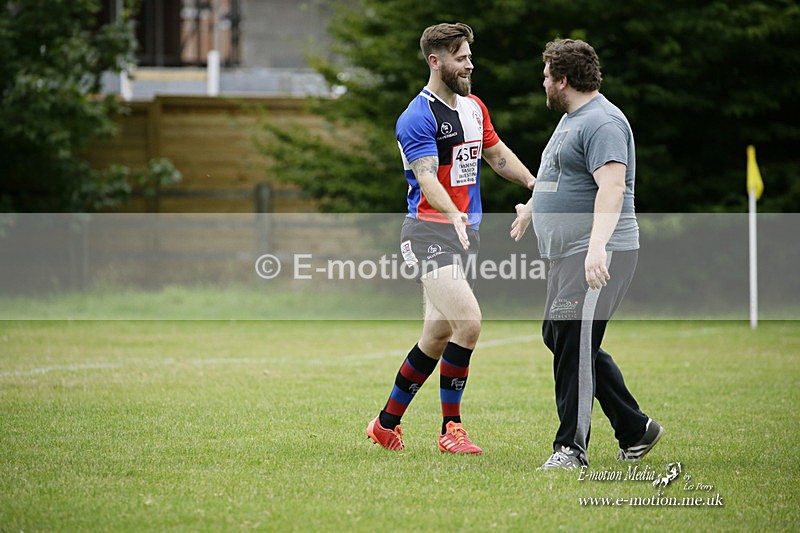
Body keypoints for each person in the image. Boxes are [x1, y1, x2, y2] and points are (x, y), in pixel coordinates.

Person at [367, 22, 536, 454]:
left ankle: (386, 424)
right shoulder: (416, 117)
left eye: (469, 56)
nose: (469, 64)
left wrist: (535, 186)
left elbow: (497, 157)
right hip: (427, 234)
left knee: (436, 336)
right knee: (470, 323)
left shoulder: (474, 108)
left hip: (463, 235)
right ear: (435, 61)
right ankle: (451, 430)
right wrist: (453, 214)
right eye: (460, 57)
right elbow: (426, 179)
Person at [510, 38, 662, 469]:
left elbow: (612, 188)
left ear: (562, 80)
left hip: (598, 251)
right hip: (568, 254)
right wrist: (532, 209)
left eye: (545, 76)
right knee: (559, 336)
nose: (542, 83)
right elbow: (557, 176)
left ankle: (570, 450)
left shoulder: (604, 122)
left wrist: (597, 248)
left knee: (573, 339)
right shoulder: (572, 119)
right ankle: (636, 428)